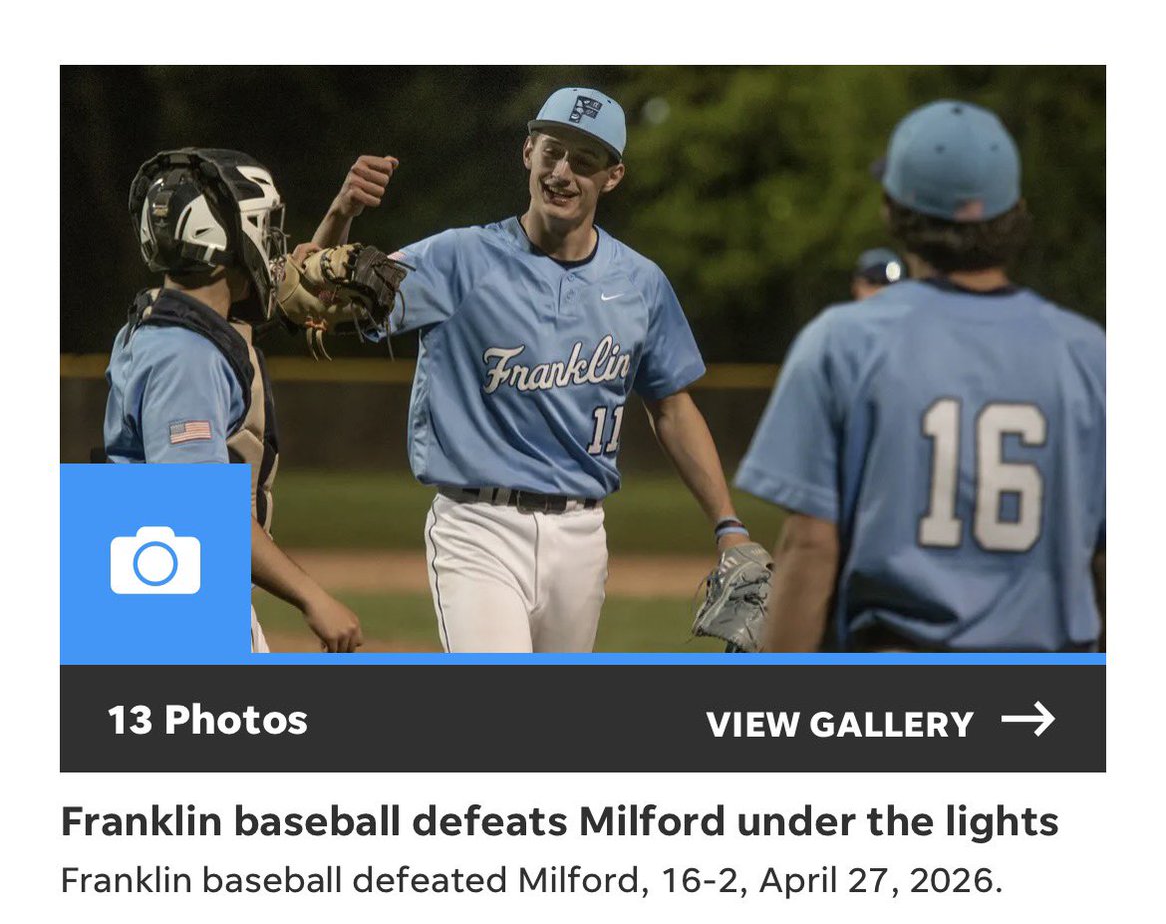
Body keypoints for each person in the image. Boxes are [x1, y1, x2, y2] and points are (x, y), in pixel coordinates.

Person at [314, 88, 749, 652]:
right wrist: (341, 213)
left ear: (612, 176)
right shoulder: (457, 258)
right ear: (528, 153)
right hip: (478, 526)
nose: (563, 172)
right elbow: (320, 299)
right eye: (552, 152)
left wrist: (728, 524)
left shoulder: (640, 283)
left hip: (583, 535)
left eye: (584, 160)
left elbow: (671, 406)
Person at [736, 100, 1105, 652]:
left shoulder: (843, 342)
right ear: (1016, 211)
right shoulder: (1090, 354)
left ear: (893, 212)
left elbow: (811, 546)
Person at [104, 148, 364, 653]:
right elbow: (197, 509)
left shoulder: (163, 324)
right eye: (261, 226)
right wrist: (312, 597)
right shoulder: (186, 357)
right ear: (223, 239)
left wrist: (338, 214)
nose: (270, 243)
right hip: (175, 606)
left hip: (152, 588)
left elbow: (244, 324)